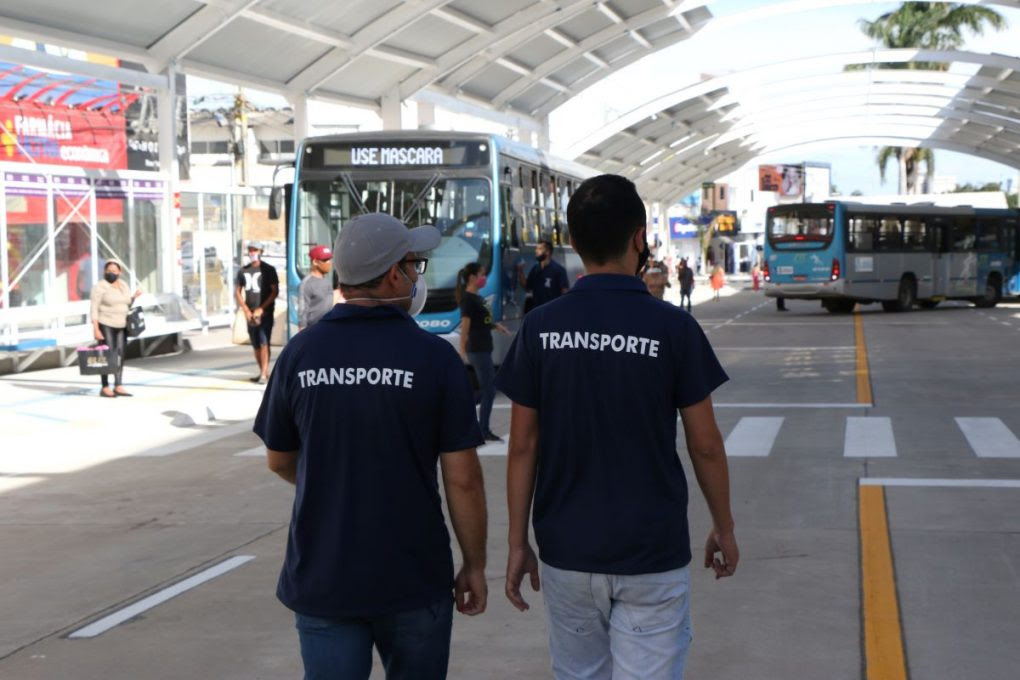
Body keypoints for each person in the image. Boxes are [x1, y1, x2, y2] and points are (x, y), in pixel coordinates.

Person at [496, 174, 738, 680]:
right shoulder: (674, 328)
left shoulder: (541, 327)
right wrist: (724, 525)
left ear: (575, 242)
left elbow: (522, 446)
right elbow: (706, 445)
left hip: (567, 551)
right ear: (638, 238)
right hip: (651, 551)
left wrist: (518, 543)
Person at [253, 212, 488, 680]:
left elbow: (279, 459)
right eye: (415, 265)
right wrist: (475, 564)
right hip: (412, 576)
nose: (417, 276)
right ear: (395, 275)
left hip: (324, 573)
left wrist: (332, 482)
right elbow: (462, 478)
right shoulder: (434, 359)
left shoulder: (300, 354)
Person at [456, 262, 510, 443]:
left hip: (485, 347)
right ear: (472, 277)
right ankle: (482, 429)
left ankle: (476, 423)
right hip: (477, 349)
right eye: (481, 274)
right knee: (489, 390)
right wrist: (461, 350)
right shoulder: (468, 300)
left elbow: (483, 321)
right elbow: (465, 327)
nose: (483, 278)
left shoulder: (477, 298)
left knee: (488, 389)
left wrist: (496, 326)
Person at [89, 259, 141, 398]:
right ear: (104, 271)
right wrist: (96, 329)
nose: (111, 273)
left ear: (119, 272)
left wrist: (134, 297)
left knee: (120, 354)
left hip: (122, 325)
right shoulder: (100, 286)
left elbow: (127, 304)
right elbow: (94, 308)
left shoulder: (123, 285)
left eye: (114, 271)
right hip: (106, 324)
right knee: (107, 355)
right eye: (108, 271)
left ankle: (118, 384)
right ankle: (105, 387)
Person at [235, 241, 279, 384]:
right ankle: (262, 371)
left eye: (255, 250)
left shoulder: (268, 269)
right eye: (250, 250)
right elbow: (237, 292)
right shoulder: (243, 270)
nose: (253, 253)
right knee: (255, 344)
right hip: (250, 313)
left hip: (265, 313)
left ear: (261, 251)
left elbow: (274, 291)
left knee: (264, 342)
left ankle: (264, 374)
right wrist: (246, 310)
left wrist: (262, 308)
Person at [518, 239, 568, 312]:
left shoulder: (558, 270)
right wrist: (520, 271)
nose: (536, 251)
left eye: (540, 249)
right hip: (538, 312)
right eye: (536, 248)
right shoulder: (535, 269)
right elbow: (527, 287)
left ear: (547, 252)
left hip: (553, 311)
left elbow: (564, 292)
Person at [298, 244, 335, 330]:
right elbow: (302, 312)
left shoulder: (327, 280)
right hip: (313, 331)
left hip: (329, 329)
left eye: (330, 259)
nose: (329, 263)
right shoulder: (306, 283)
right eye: (325, 260)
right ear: (315, 262)